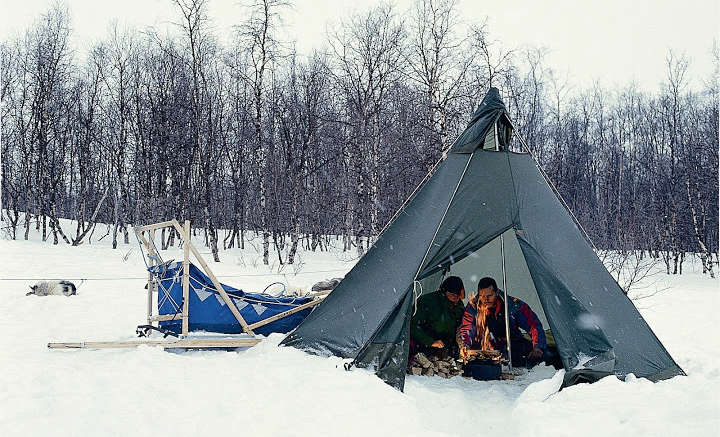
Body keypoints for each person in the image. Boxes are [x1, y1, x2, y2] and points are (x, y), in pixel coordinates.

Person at [458, 277, 547, 367]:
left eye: (489, 296)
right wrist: (465, 344)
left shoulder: (512, 305)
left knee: (543, 357)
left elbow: (533, 325)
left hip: (511, 345)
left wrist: (537, 347)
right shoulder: (473, 308)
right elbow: (467, 328)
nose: (486, 299)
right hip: (484, 348)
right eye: (482, 296)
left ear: (496, 293)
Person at [410, 276, 466, 359]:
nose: (456, 299)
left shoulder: (458, 306)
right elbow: (413, 326)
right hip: (424, 348)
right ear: (444, 291)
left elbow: (460, 326)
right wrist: (431, 342)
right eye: (453, 295)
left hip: (447, 349)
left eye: (458, 296)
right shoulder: (428, 302)